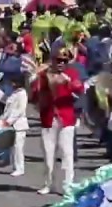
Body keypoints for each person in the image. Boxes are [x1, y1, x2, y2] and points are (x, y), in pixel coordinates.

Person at [32, 48, 82, 195]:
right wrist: (35, 77)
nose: (61, 63)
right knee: (48, 153)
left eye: (64, 61)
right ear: (53, 60)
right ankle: (49, 183)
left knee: (67, 153)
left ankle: (68, 185)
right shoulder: (44, 74)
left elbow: (79, 88)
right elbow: (35, 92)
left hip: (66, 118)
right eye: (58, 60)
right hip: (48, 117)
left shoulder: (72, 74)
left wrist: (67, 81)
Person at [0, 71, 30, 177]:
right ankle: (15, 166)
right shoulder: (14, 93)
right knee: (12, 147)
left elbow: (20, 110)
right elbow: (4, 100)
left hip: (19, 125)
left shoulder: (22, 94)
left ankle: (20, 168)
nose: (11, 84)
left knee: (18, 147)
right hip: (10, 125)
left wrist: (9, 121)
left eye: (13, 82)